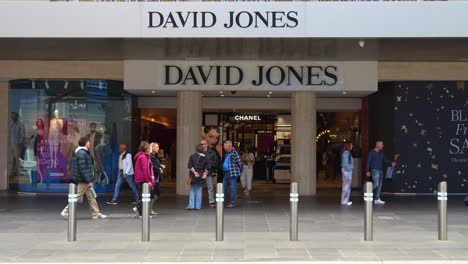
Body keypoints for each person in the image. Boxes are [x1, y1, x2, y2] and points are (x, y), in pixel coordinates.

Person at [60, 136, 107, 219]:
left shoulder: (83, 152)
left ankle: (96, 213)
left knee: (91, 196)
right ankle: (65, 211)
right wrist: (89, 180)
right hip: (84, 180)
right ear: (85, 143)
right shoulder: (82, 153)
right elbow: (83, 169)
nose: (89, 143)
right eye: (88, 142)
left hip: (85, 179)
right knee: (77, 197)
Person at [133, 141, 154, 218]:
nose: (150, 149)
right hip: (143, 179)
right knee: (145, 196)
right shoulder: (143, 157)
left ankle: (139, 210)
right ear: (145, 148)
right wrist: (148, 180)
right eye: (149, 147)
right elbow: (145, 170)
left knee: (142, 196)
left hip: (140, 179)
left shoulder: (141, 156)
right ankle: (140, 211)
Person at [186, 144, 209, 210]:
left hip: (193, 175)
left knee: (192, 190)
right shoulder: (205, 157)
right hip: (201, 175)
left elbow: (189, 166)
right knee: (199, 190)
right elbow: (208, 166)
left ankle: (191, 205)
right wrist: (205, 173)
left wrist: (194, 172)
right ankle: (198, 206)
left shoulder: (192, 156)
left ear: (196, 149)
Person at [222, 141, 243, 208]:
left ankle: (232, 203)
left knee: (233, 188)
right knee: (223, 188)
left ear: (229, 146)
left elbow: (239, 163)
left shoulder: (234, 153)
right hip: (226, 173)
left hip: (232, 173)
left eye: (225, 146)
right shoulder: (227, 153)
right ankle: (221, 202)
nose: (223, 147)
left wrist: (239, 171)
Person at [201, 140, 218, 208]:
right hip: (200, 172)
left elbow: (216, 162)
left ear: (207, 144)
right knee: (199, 187)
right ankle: (198, 201)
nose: (202, 145)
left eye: (203, 144)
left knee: (210, 187)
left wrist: (209, 165)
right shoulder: (199, 152)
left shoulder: (212, 152)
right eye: (201, 144)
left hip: (209, 172)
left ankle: (211, 201)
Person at [9, 112, 25, 179]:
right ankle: (12, 172)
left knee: (17, 159)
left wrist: (20, 143)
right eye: (11, 116)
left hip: (17, 144)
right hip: (12, 144)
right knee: (11, 159)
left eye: (13, 116)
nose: (12, 117)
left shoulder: (20, 124)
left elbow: (22, 135)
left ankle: (18, 172)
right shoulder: (13, 124)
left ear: (16, 116)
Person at [149, 142, 164, 215]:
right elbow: (153, 167)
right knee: (154, 194)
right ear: (153, 148)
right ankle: (147, 208)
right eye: (157, 147)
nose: (158, 148)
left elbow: (155, 165)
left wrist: (160, 166)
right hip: (153, 178)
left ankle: (149, 209)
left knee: (155, 194)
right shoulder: (151, 156)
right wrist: (159, 169)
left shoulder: (154, 156)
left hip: (155, 178)